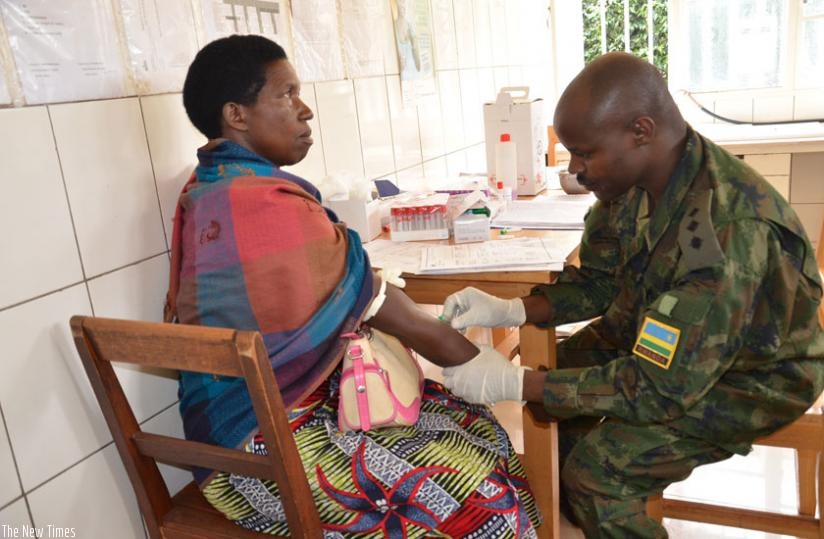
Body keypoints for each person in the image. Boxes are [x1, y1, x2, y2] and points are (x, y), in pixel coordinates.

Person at [166, 34, 541, 538]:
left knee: (477, 427)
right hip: (264, 456)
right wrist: (514, 381)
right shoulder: (268, 206)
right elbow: (396, 316)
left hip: (246, 431)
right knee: (484, 503)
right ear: (237, 115)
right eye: (286, 95)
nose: (306, 111)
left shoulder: (211, 189)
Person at [440, 51, 824, 538]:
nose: (576, 169)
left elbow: (660, 390)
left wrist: (519, 385)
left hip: (752, 375)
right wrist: (514, 309)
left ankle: (594, 500)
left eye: (584, 153)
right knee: (556, 375)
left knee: (597, 475)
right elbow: (600, 281)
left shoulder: (727, 229)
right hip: (660, 337)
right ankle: (586, 515)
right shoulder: (628, 182)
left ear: (641, 131)